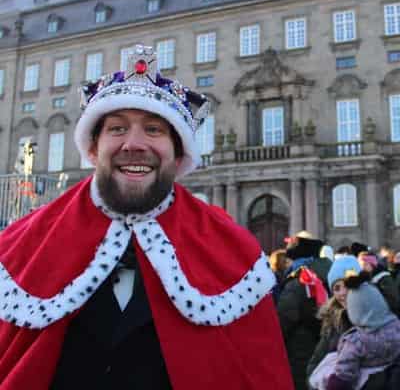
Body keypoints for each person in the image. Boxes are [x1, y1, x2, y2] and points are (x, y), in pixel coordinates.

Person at [0, 45, 294, 390]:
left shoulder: (236, 255)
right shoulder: (20, 247)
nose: (134, 144)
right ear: (93, 148)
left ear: (178, 152)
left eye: (154, 129)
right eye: (117, 128)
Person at [326, 273, 400, 390]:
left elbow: (343, 376)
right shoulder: (396, 326)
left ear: (354, 311)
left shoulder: (355, 341)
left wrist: (332, 383)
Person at [277, 235, 329, 390]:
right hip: (325, 339)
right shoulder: (330, 272)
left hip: (301, 343)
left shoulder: (299, 280)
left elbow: (285, 316)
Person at [307, 256, 361, 385]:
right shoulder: (333, 319)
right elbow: (316, 360)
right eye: (337, 288)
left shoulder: (377, 316)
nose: (343, 293)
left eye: (347, 286)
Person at [357, 252, 399, 316]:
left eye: (364, 264)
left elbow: (394, 300)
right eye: (360, 265)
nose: (362, 268)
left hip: (389, 317)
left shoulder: (384, 278)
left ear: (372, 264)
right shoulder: (365, 279)